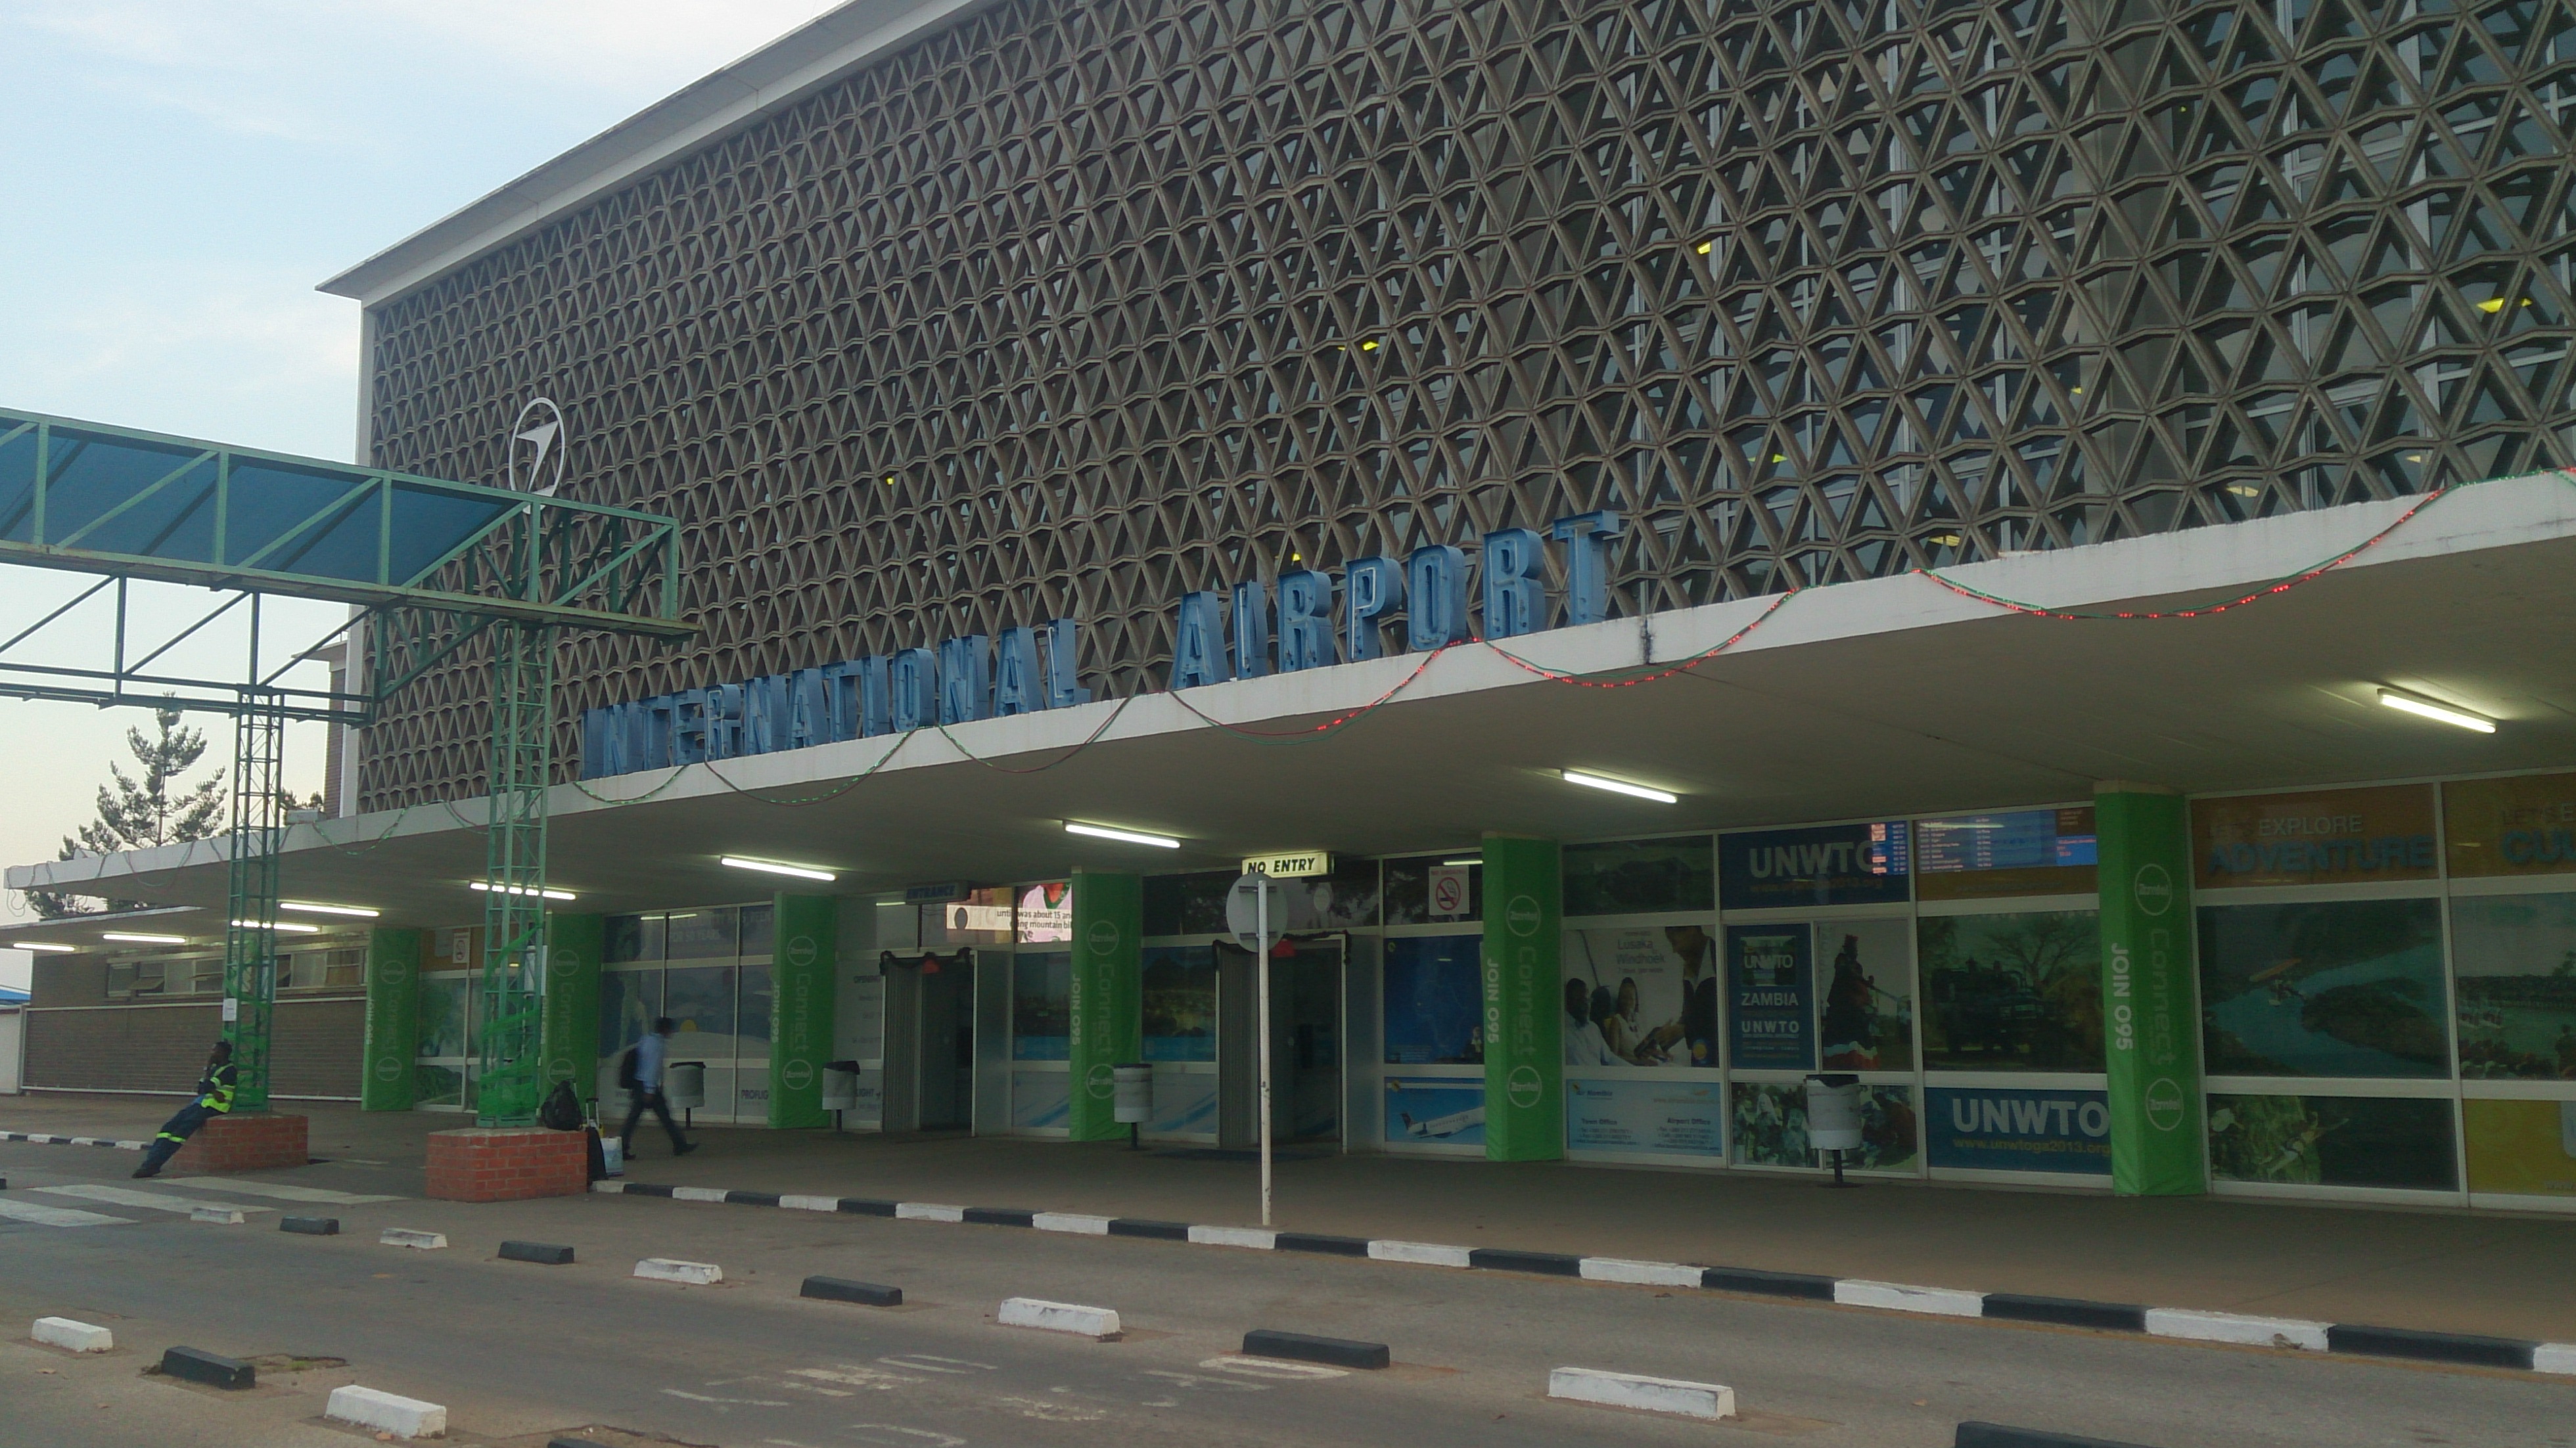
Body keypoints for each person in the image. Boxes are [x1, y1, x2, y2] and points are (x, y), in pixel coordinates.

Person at [132, 1040, 237, 1179]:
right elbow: (201, 1089)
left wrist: (208, 1072)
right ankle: (149, 1163)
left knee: (178, 1135)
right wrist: (212, 1086)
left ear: (223, 1053)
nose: (212, 1054)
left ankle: (152, 1166)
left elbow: (206, 1087)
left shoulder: (229, 1070)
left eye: (215, 1051)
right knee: (167, 1129)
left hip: (212, 1107)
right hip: (199, 1105)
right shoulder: (215, 1069)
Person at [620, 1016, 697, 1160]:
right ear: (665, 1030)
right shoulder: (657, 1045)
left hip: (640, 1083)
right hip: (647, 1086)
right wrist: (650, 1090)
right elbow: (652, 1069)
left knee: (643, 1118)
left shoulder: (646, 1039)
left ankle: (679, 1143)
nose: (672, 1032)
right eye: (670, 1030)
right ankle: (621, 1148)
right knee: (653, 1117)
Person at [1563, 978, 1615, 1066]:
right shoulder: (1563, 1031)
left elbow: (1609, 1058)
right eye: (1579, 1000)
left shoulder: (1593, 1028)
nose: (1584, 1005)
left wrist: (1632, 1070)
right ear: (1568, 1002)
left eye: (1586, 1000)